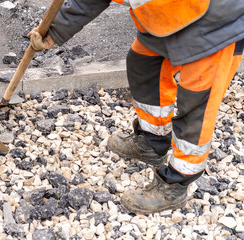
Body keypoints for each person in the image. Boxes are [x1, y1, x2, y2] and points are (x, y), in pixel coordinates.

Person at [28, 0, 244, 214]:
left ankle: (176, 182)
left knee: (197, 106)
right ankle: (153, 141)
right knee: (145, 63)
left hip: (214, 23)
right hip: (168, 15)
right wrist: (53, 32)